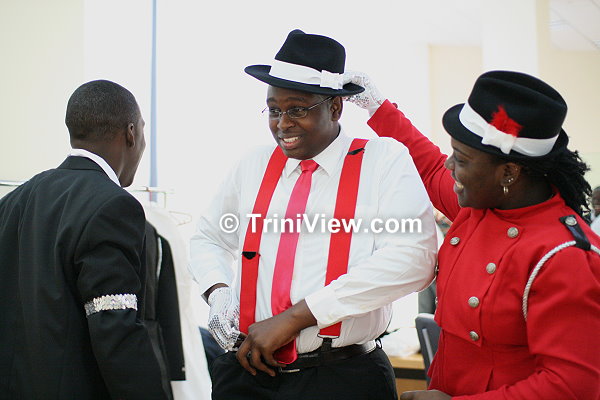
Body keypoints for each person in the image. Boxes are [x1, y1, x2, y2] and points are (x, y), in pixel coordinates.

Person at [189, 29, 437, 400]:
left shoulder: (383, 160)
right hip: (245, 374)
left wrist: (295, 318)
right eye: (274, 110)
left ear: (335, 108)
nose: (282, 123)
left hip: (341, 378)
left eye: (297, 109)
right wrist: (218, 291)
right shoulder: (252, 164)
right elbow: (208, 238)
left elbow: (414, 258)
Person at [343, 70, 600, 399]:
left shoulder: (565, 255)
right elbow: (429, 165)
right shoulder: (482, 204)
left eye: (461, 159)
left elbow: (573, 385)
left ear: (509, 172)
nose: (450, 165)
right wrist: (376, 106)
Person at [0, 80, 173, 399]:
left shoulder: (13, 202)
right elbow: (115, 326)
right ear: (131, 133)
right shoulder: (113, 206)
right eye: (143, 131)